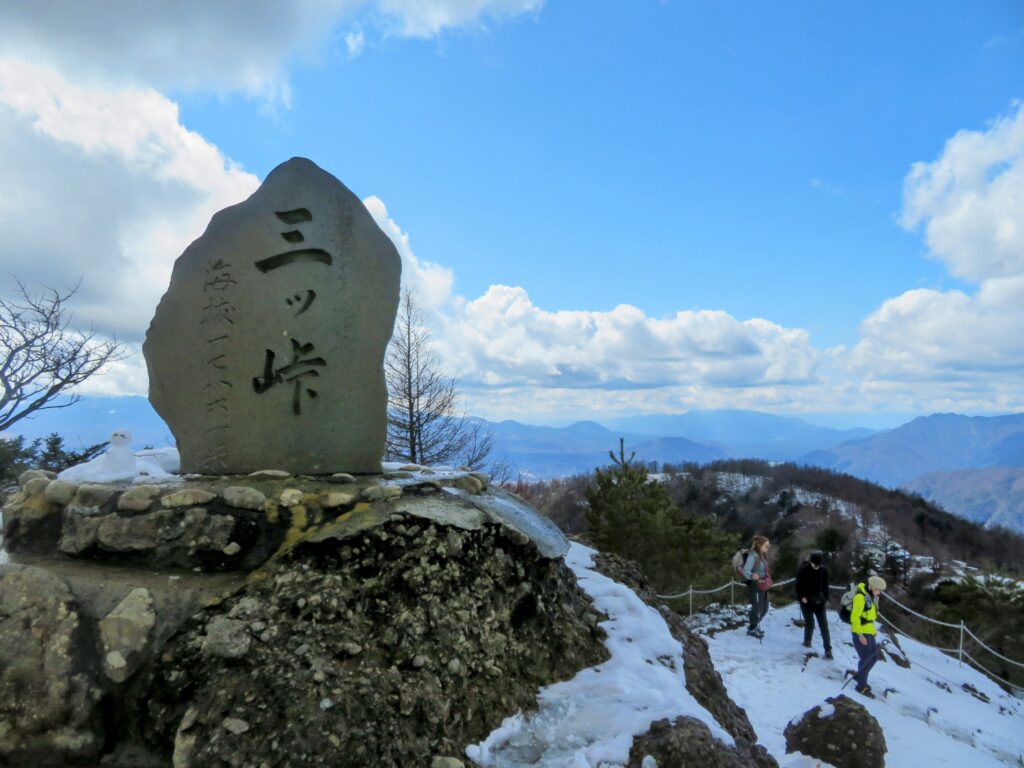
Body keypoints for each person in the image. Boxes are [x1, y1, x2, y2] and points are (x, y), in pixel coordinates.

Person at [849, 575, 886, 698]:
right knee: (866, 659)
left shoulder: (871, 597)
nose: (879, 592)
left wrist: (872, 632)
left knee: (873, 656)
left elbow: (870, 617)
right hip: (860, 632)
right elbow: (855, 617)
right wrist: (859, 635)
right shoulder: (860, 597)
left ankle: (860, 676)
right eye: (878, 589)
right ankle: (861, 686)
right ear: (871, 587)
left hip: (869, 631)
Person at [795, 551, 832, 659]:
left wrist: (825, 598)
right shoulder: (803, 571)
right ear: (810, 562)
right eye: (814, 564)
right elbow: (798, 586)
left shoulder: (824, 571)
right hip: (806, 601)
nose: (816, 566)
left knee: (824, 625)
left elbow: (825, 586)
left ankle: (828, 649)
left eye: (818, 565)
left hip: (819, 602)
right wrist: (802, 597)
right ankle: (807, 640)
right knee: (809, 622)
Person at [742, 535, 771, 638]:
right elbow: (746, 571)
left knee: (765, 607)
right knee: (757, 607)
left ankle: (754, 625)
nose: (768, 548)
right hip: (755, 585)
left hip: (763, 584)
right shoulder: (752, 556)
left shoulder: (762, 556)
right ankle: (752, 627)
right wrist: (752, 576)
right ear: (759, 545)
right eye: (766, 546)